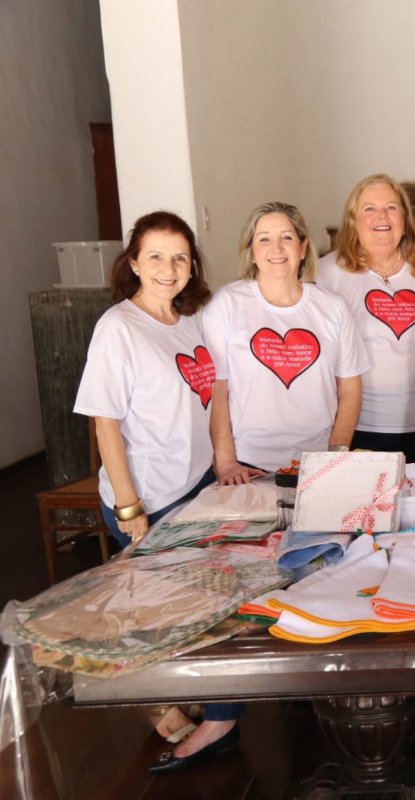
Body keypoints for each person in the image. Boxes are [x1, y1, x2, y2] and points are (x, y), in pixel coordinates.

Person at [72, 211, 238, 772]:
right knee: (165, 612)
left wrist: (221, 469)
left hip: (195, 488)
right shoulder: (118, 327)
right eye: (157, 256)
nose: (169, 269)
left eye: (180, 257)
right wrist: (129, 508)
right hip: (147, 497)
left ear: (192, 266)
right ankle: (188, 713)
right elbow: (104, 423)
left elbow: (213, 397)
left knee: (194, 608)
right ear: (134, 262)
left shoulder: (188, 321)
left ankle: (206, 708)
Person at [206, 202, 369, 484]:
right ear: (252, 251)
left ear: (303, 248)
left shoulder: (333, 307)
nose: (277, 248)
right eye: (264, 239)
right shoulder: (226, 304)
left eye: (287, 237)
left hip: (317, 462)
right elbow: (216, 389)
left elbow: (350, 387)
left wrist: (336, 451)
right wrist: (226, 463)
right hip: (248, 466)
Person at [318, 174, 415, 461]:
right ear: (353, 221)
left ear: (404, 219)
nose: (382, 216)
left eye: (391, 207)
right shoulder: (326, 272)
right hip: (357, 425)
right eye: (369, 208)